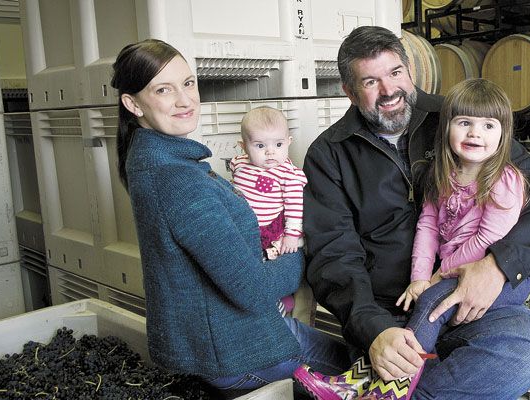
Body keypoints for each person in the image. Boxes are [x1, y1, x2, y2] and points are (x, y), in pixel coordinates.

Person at [299, 26, 530, 399]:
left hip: (471, 306)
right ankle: (400, 380)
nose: (389, 90)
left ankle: (378, 389)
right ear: (348, 91)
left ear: (411, 70)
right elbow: (333, 255)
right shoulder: (329, 154)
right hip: (391, 316)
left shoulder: (459, 118)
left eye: (395, 73)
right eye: (370, 81)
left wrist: (498, 266)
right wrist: (373, 329)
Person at [111, 38, 350, 398]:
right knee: (369, 366)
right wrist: (299, 249)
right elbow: (253, 291)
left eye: (188, 83)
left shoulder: (148, 160)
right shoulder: (176, 180)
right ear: (133, 104)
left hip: (218, 342)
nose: (185, 99)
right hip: (241, 351)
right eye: (164, 89)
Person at [230, 106, 308, 315]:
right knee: (244, 268)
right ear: (243, 147)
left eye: (279, 144)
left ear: (289, 142)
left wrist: (292, 235)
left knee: (267, 269)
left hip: (271, 232)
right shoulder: (239, 164)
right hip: (245, 227)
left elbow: (295, 207)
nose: (270, 152)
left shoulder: (289, 175)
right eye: (260, 145)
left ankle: (281, 303)